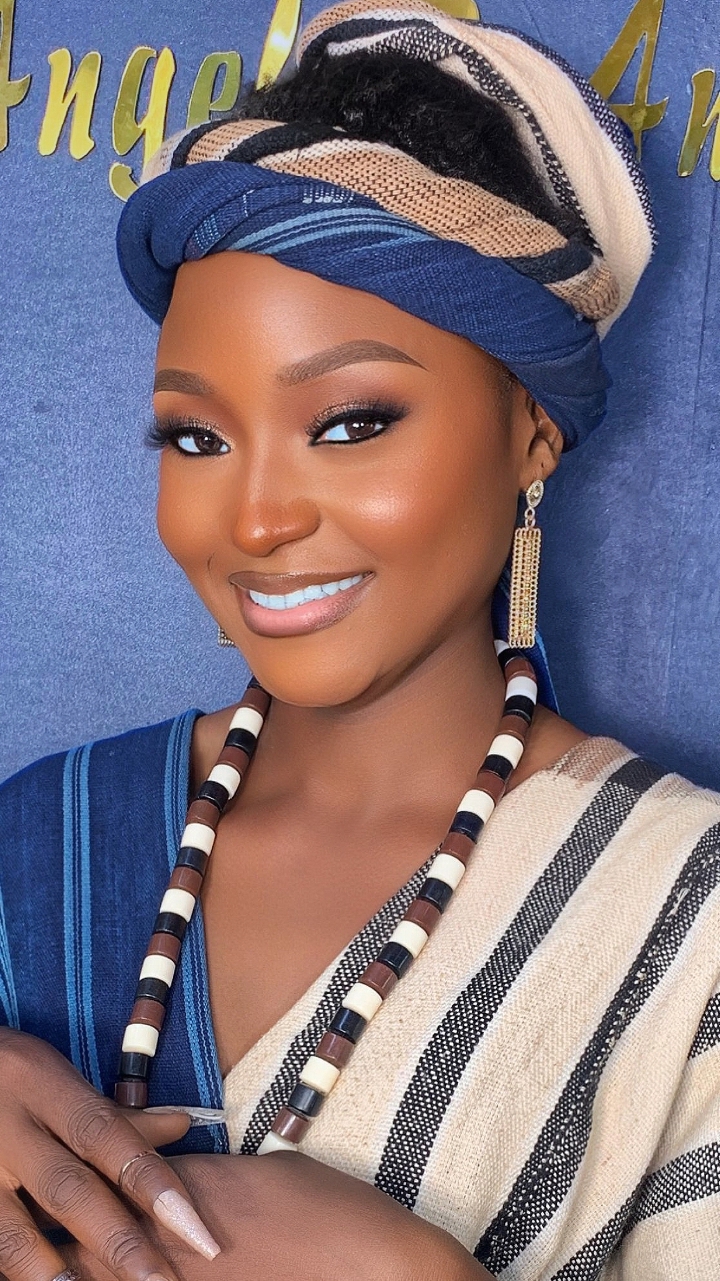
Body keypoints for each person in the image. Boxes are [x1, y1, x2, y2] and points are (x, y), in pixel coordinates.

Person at [0, 1, 718, 1278]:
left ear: (533, 434)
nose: (256, 518)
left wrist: (404, 1269)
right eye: (195, 437)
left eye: (350, 424)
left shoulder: (685, 919)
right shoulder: (41, 840)